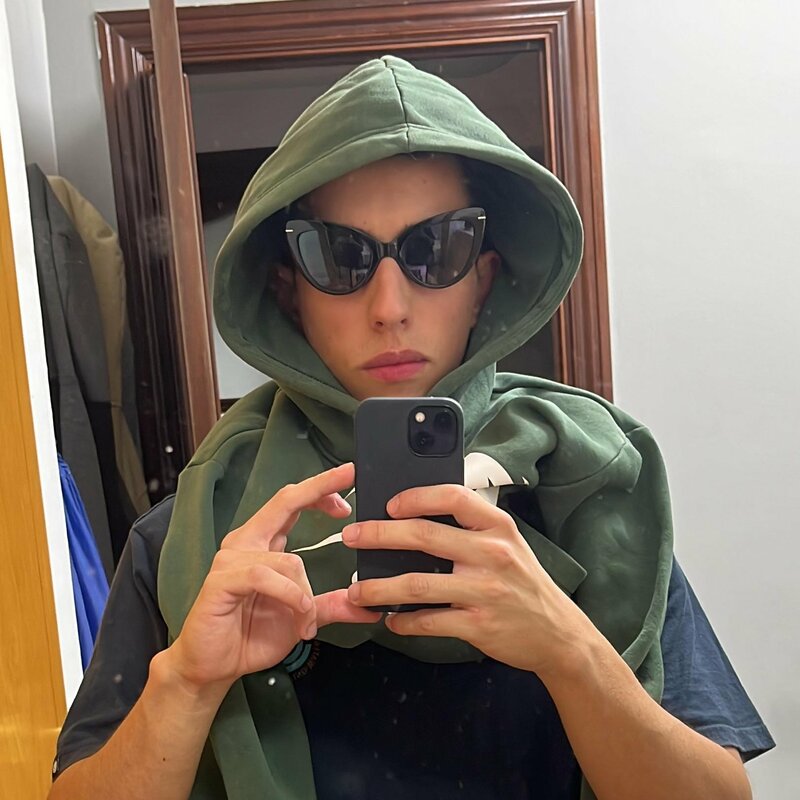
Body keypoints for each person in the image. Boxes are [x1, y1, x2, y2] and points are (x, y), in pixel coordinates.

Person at [49, 56, 773, 800]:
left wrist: (568, 651)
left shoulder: (593, 495)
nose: (390, 307)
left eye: (437, 249)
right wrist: (188, 683)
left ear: (483, 279)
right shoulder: (197, 538)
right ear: (289, 292)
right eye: (338, 257)